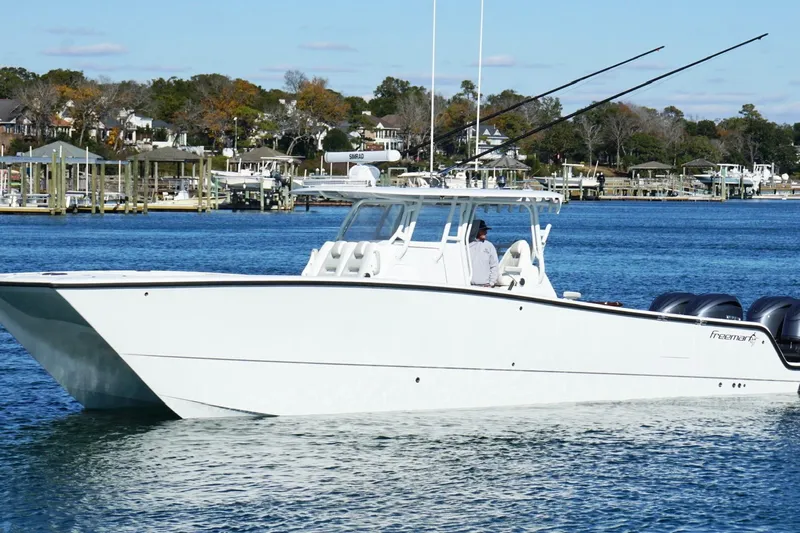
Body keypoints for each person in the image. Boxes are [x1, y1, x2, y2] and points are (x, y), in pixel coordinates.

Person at [469, 219, 499, 287]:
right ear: (475, 231)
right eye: (483, 230)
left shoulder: (489, 246)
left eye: (485, 230)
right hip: (468, 285)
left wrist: (491, 283)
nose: (486, 232)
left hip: (485, 286)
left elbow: (494, 266)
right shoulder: (466, 246)